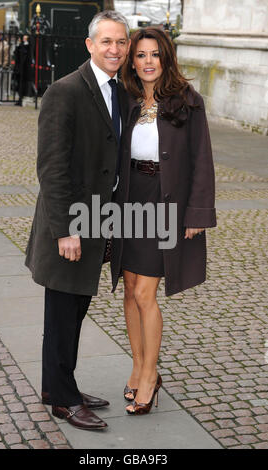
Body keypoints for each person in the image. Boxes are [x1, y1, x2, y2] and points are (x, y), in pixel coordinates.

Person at [25, 11, 130, 430]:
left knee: (76, 310)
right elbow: (51, 168)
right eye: (106, 41)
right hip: (69, 226)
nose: (115, 50)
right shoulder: (64, 91)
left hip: (98, 221)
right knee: (62, 313)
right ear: (89, 45)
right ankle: (64, 401)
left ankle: (59, 385)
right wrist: (66, 230)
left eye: (121, 42)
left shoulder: (119, 92)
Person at [110, 27, 217, 415]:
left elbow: (202, 160)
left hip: (164, 201)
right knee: (128, 289)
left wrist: (197, 213)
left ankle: (151, 375)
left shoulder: (188, 101)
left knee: (145, 294)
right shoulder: (127, 99)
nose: (148, 62)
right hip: (129, 199)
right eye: (140, 55)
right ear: (132, 61)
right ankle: (137, 367)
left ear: (166, 57)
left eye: (155, 54)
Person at [13, 34, 33, 106]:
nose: (24, 39)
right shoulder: (20, 46)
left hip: (25, 69)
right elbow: (16, 55)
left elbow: (26, 56)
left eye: (25, 38)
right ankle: (20, 98)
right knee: (19, 84)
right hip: (19, 69)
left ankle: (21, 98)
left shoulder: (27, 46)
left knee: (23, 85)